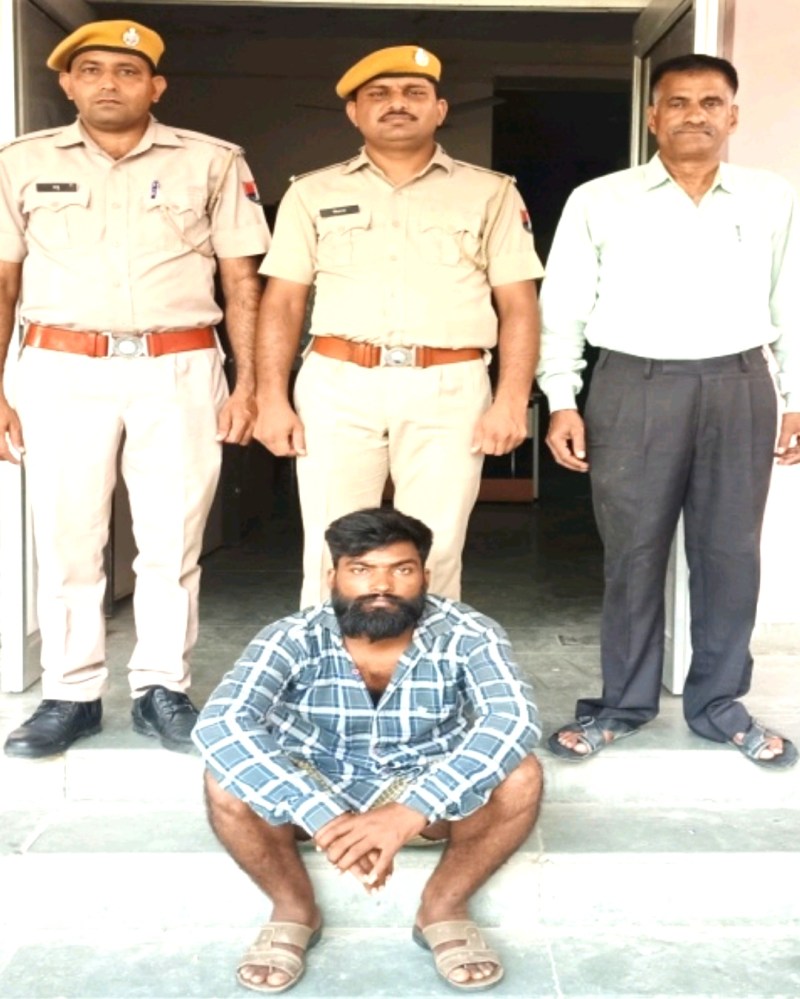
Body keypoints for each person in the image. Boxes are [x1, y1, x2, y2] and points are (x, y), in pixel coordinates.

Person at [0, 20, 270, 758]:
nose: (108, 84)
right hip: (61, 367)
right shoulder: (20, 163)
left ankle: (161, 688)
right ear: (67, 84)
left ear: (156, 85)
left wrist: (248, 384)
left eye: (126, 71)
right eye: (91, 70)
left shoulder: (211, 161)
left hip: (177, 366)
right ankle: (70, 693)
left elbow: (242, 279)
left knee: (171, 540)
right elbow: (4, 282)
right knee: (67, 540)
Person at [537, 53, 800, 769]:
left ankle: (719, 705)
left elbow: (791, 298)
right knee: (634, 552)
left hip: (740, 383)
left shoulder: (771, 196)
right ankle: (622, 703)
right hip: (633, 384)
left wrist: (795, 397)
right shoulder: (600, 199)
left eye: (710, 102)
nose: (694, 115)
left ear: (732, 117)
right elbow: (562, 305)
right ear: (653, 117)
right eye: (678, 102)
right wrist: (561, 398)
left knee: (730, 553)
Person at [194, 507, 542, 993]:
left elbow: (514, 720)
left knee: (521, 774)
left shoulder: (469, 632)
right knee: (224, 776)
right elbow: (222, 722)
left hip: (421, 787)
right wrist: (320, 814)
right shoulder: (291, 635)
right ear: (333, 576)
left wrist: (409, 810)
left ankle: (443, 907)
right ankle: (294, 908)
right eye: (361, 569)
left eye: (402, 569)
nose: (382, 585)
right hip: (312, 784)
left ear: (425, 576)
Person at [253, 45, 542, 609]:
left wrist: (511, 400)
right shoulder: (312, 192)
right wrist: (271, 397)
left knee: (437, 547)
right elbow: (282, 302)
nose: (397, 104)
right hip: (338, 383)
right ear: (354, 113)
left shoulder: (491, 192)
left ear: (440, 109)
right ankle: (328, 660)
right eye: (379, 95)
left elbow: (519, 305)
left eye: (414, 93)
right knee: (332, 546)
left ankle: (427, 662)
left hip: (449, 386)